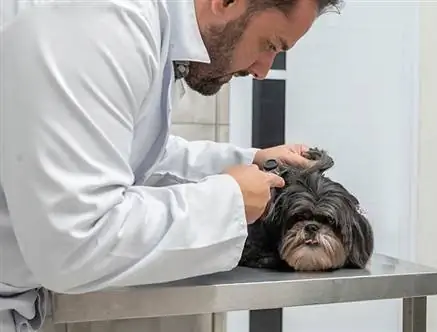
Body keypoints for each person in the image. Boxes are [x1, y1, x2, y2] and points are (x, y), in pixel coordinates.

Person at [0, 0, 342, 331]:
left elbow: (135, 155)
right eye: (269, 45)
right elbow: (76, 241)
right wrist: (229, 202)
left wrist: (252, 161)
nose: (262, 70)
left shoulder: (151, 36)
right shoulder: (108, 25)